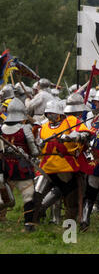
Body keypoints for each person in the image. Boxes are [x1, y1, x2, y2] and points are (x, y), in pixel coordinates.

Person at [0, 98, 39, 232]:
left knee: (3, 193)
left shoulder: (2, 128)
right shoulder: (25, 128)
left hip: (5, 167)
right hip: (22, 167)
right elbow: (34, 152)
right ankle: (28, 225)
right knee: (28, 196)